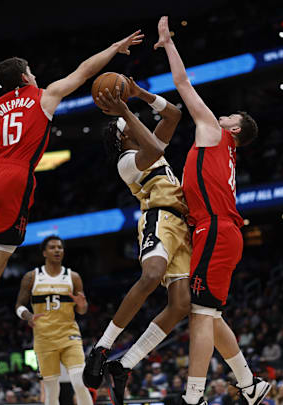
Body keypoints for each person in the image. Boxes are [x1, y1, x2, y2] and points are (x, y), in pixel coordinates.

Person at [0, 31, 144, 372]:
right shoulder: (43, 95)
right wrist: (114, 48)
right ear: (26, 77)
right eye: (33, 72)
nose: (36, 75)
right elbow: (84, 71)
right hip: (14, 177)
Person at [153, 16, 267, 405]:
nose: (222, 116)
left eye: (230, 117)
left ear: (234, 130)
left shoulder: (213, 132)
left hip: (216, 230)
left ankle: (194, 397)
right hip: (217, 230)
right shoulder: (225, 147)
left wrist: (168, 43)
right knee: (210, 314)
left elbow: (182, 84)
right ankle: (249, 382)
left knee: (201, 314)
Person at [83, 77, 190, 405]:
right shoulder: (127, 163)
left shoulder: (147, 148)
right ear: (122, 134)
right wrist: (127, 110)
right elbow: (156, 147)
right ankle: (103, 345)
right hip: (159, 218)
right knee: (151, 275)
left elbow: (173, 116)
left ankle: (124, 364)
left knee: (181, 305)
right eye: (126, 123)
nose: (134, 123)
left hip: (182, 228)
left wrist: (140, 93)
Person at [15, 236, 92, 405]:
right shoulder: (31, 277)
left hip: (69, 335)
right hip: (44, 338)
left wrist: (82, 305)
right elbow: (19, 306)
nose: (57, 250)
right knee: (51, 390)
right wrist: (28, 316)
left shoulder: (73, 277)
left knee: (80, 382)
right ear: (44, 252)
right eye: (52, 247)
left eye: (60, 247)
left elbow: (82, 310)